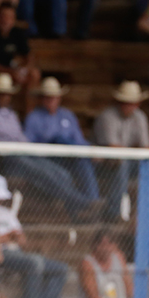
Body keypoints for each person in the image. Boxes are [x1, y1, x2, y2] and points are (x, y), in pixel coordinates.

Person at [0, 73, 101, 219]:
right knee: (42, 171)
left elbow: (23, 139)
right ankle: (82, 203)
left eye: (7, 93)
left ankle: (78, 207)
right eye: (1, 93)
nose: (5, 97)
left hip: (22, 153)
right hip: (1, 158)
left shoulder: (11, 114)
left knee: (59, 172)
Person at [0, 172, 68, 298]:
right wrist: (8, 237)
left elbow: (22, 239)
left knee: (60, 268)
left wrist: (9, 237)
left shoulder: (6, 213)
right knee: (34, 262)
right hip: (0, 254)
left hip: (17, 253)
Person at [24, 75, 99, 203]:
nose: (51, 100)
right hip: (48, 159)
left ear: (59, 98)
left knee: (83, 161)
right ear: (42, 98)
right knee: (60, 142)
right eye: (47, 97)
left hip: (72, 158)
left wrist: (92, 151)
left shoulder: (67, 115)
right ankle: (84, 204)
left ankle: (93, 200)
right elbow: (29, 144)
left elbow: (79, 139)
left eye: (54, 97)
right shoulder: (34, 117)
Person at [92, 80, 149, 218]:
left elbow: (147, 146)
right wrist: (137, 152)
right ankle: (113, 212)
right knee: (121, 164)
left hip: (128, 162)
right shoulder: (107, 117)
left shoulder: (140, 117)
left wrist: (148, 153)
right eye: (126, 102)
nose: (129, 106)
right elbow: (112, 148)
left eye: (132, 102)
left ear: (138, 103)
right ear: (119, 102)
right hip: (103, 165)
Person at [0, 0, 40, 115]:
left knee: (34, 73)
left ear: (14, 19)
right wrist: (9, 71)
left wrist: (23, 69)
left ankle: (29, 115)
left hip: (10, 70)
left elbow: (29, 56)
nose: (5, 20)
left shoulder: (18, 33)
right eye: (3, 16)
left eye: (9, 17)